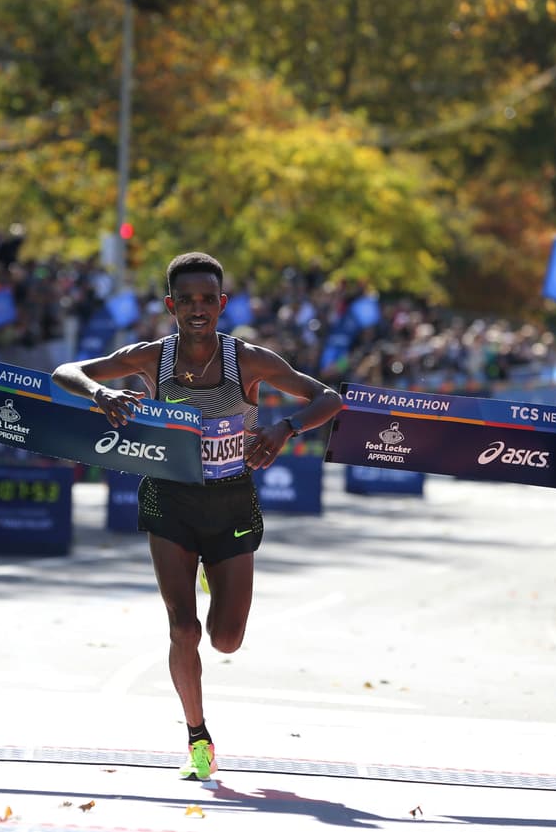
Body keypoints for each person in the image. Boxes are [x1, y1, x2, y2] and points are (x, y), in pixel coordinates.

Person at [53, 252, 342, 781]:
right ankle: (197, 737)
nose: (197, 309)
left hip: (231, 501)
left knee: (226, 637)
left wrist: (285, 429)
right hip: (170, 499)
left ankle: (215, 575)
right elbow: (65, 371)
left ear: (222, 303)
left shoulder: (249, 361)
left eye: (207, 299)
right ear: (170, 306)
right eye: (186, 300)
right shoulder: (150, 359)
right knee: (182, 628)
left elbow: (329, 397)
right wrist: (100, 393)